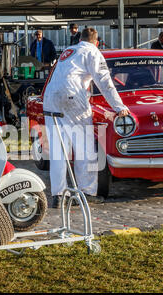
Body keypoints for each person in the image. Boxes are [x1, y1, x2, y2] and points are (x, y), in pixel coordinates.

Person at [43, 27, 130, 208]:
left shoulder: (69, 51)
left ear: (79, 38)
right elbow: (104, 82)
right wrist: (119, 107)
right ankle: (87, 192)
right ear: (96, 42)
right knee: (84, 146)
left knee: (59, 150)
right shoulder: (92, 51)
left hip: (50, 98)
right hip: (72, 96)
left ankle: (58, 195)